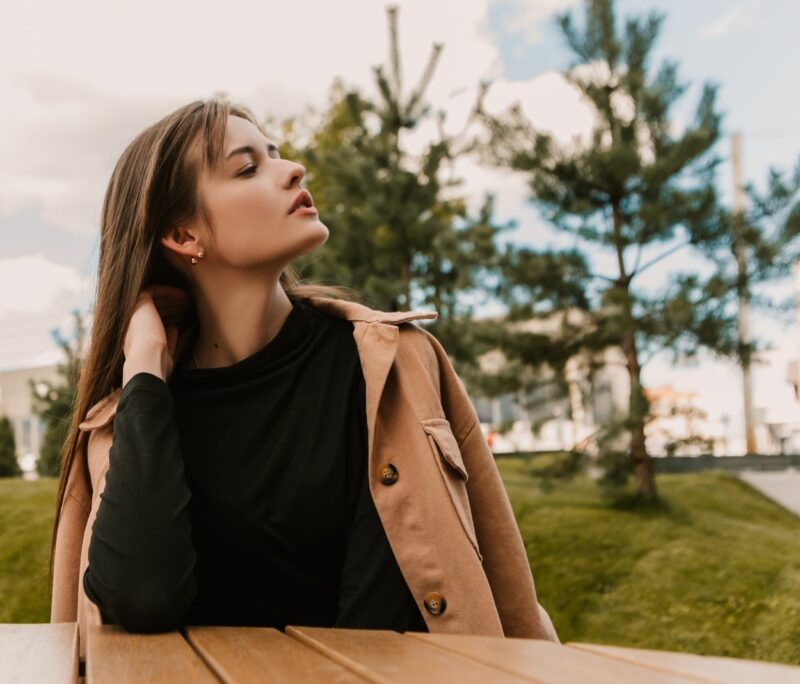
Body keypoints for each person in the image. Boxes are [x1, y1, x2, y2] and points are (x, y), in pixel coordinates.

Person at [49, 97, 559, 657]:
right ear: (185, 236)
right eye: (248, 167)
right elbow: (141, 599)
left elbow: (499, 582)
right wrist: (144, 368)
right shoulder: (123, 420)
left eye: (276, 154)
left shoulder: (394, 366)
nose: (293, 169)